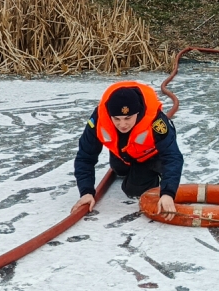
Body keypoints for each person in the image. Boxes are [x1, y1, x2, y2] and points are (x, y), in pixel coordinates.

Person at [71, 82, 182, 219]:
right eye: (117, 119)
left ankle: (151, 175)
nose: (122, 124)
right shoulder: (99, 119)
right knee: (119, 169)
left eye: (128, 118)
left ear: (138, 112)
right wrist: (86, 191)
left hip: (151, 155)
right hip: (125, 153)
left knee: (133, 189)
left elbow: (172, 157)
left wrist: (168, 193)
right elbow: (85, 156)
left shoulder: (157, 122)